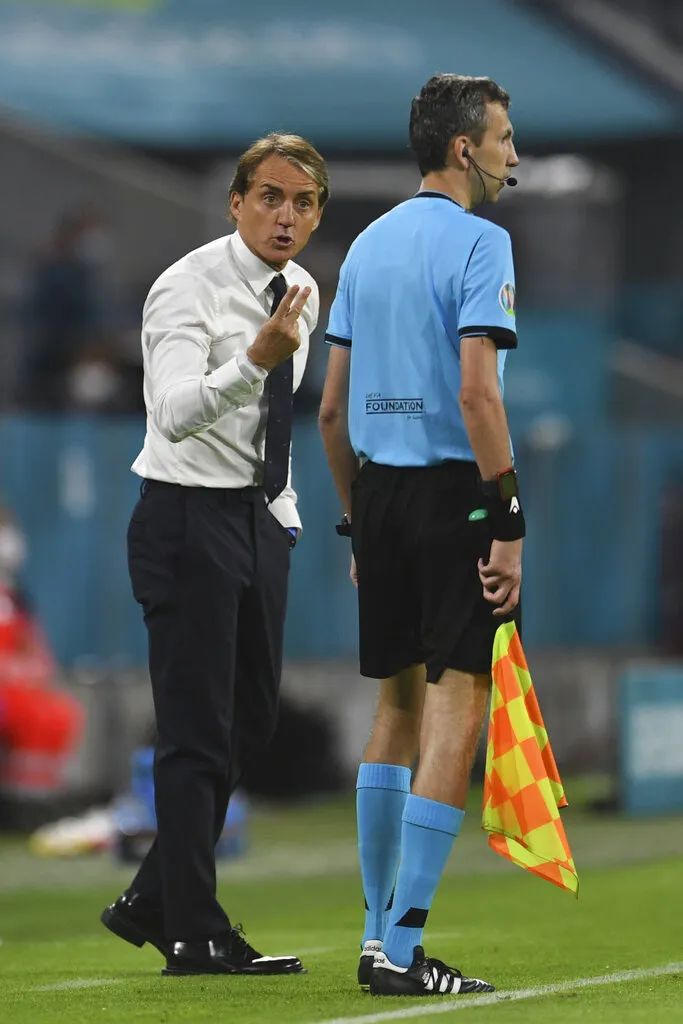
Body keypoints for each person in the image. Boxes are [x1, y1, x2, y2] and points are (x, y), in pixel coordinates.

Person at [101, 133, 329, 977]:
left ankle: (151, 896)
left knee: (253, 721)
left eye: (303, 203)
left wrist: (286, 515)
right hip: (185, 518)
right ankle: (192, 931)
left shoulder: (302, 286)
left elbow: (280, 425)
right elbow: (170, 413)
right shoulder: (185, 286)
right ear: (235, 202)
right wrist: (252, 360)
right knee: (198, 733)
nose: (285, 215)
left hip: (255, 519)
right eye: (270, 196)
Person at [319, 74, 522, 997]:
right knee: (459, 704)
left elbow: (328, 411)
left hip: (380, 497)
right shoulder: (482, 242)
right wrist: (507, 518)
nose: (512, 155)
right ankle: (400, 951)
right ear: (462, 147)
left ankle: (372, 936)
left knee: (394, 711)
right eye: (504, 138)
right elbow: (477, 392)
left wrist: (359, 523)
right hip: (453, 496)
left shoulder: (363, 244)